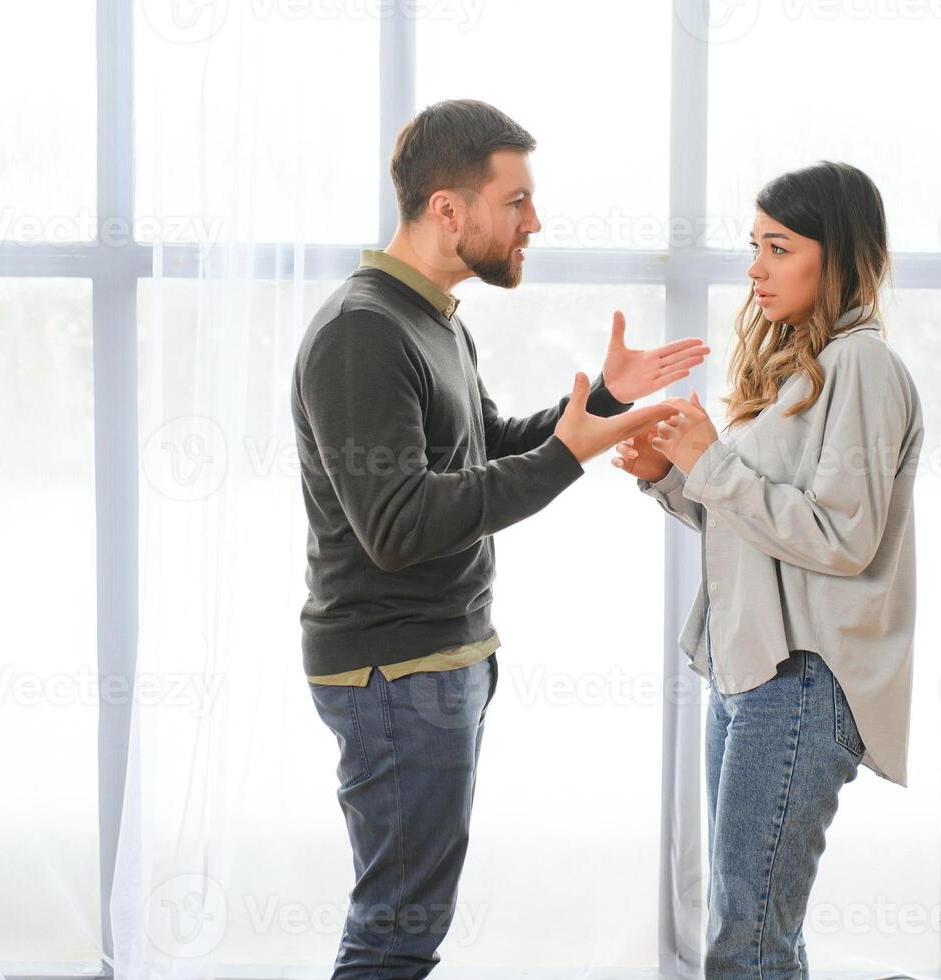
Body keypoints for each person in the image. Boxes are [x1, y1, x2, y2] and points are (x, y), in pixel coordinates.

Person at [290, 98, 710, 978]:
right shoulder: (363, 332)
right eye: (515, 201)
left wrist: (596, 405)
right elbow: (397, 525)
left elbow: (478, 450)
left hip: (434, 664)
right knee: (396, 933)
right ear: (449, 209)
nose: (534, 222)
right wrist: (566, 453)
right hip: (393, 672)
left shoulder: (431, 316)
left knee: (406, 923)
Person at [613, 161, 924, 979]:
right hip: (749, 674)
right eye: (754, 246)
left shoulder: (861, 366)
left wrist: (708, 462)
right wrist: (668, 475)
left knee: (745, 947)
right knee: (755, 935)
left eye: (778, 247)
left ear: (839, 255)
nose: (755, 267)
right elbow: (748, 526)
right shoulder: (797, 369)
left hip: (803, 679)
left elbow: (841, 537)